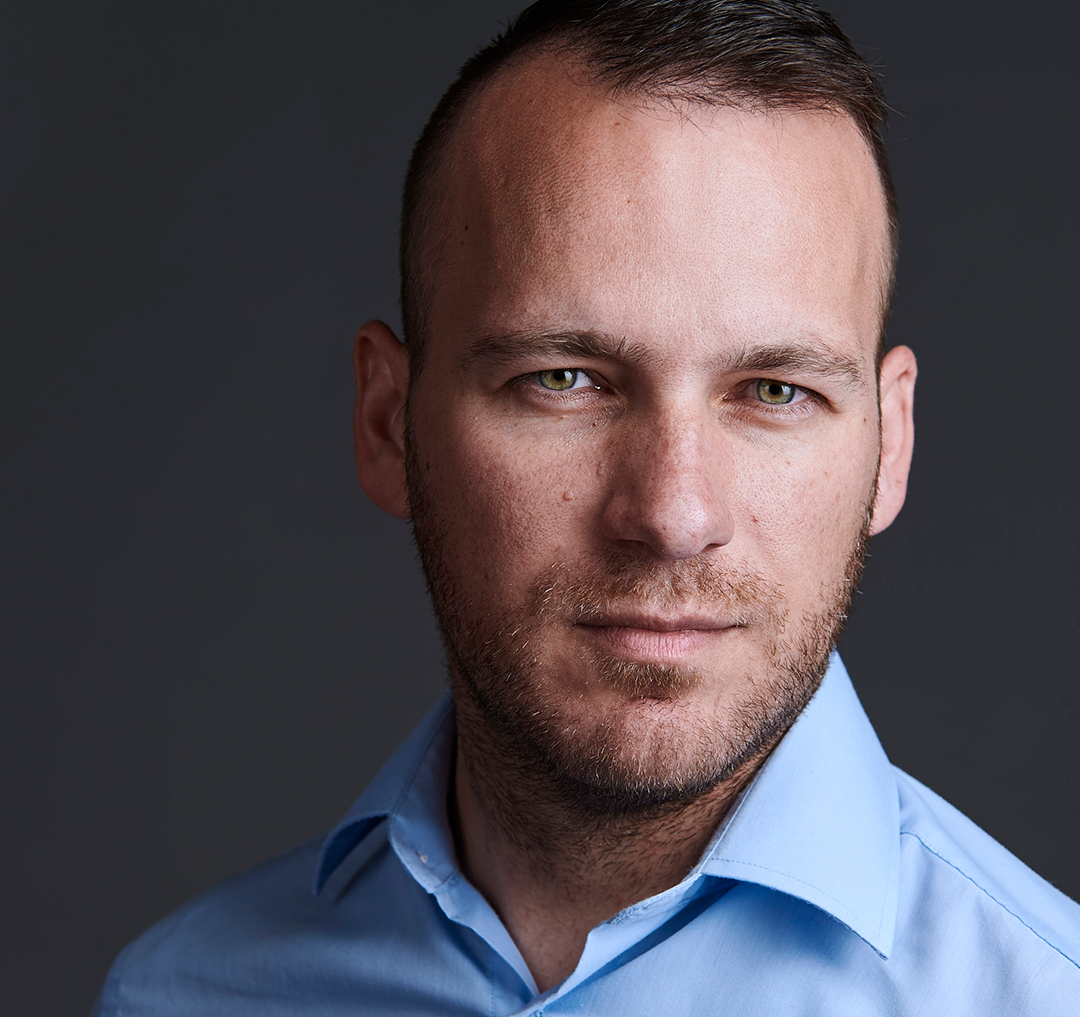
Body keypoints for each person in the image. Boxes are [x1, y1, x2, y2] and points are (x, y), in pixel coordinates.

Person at [92, 1, 1080, 1013]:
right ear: (388, 422)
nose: (673, 514)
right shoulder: (178, 996)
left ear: (891, 443)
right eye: (563, 380)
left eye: (776, 391)